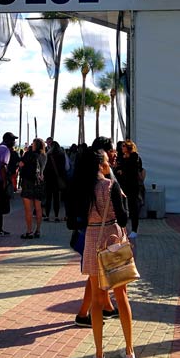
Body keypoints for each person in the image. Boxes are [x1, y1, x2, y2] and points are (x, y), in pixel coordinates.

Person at [82, 149, 135, 358]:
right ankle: (130, 351)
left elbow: (74, 220)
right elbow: (123, 218)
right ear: (100, 165)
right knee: (121, 296)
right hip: (113, 239)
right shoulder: (111, 185)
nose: (109, 164)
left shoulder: (83, 187)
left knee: (96, 300)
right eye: (106, 161)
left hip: (92, 239)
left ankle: (99, 356)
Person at [70, 138, 119, 328]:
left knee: (98, 272)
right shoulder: (96, 177)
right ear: (102, 154)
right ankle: (83, 313)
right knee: (95, 274)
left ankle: (106, 306)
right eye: (111, 150)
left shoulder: (89, 172)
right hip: (93, 232)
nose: (114, 154)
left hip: (90, 231)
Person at [115, 140, 144, 238]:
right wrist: (119, 169)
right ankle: (122, 228)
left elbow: (133, 170)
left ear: (128, 147)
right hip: (122, 185)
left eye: (124, 146)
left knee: (133, 207)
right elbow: (117, 168)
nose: (122, 148)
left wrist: (122, 170)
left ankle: (134, 229)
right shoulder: (121, 157)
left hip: (132, 185)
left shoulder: (135, 157)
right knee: (121, 207)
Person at [18, 138, 47, 239]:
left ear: (35, 145)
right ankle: (38, 230)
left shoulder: (28, 154)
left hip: (28, 182)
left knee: (28, 209)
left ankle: (29, 231)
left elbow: (21, 164)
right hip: (39, 183)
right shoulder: (44, 156)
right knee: (38, 208)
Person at [43, 140, 67, 222]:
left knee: (48, 198)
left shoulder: (48, 155)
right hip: (57, 179)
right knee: (56, 198)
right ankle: (56, 216)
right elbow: (65, 167)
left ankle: (47, 216)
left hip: (49, 179)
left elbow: (45, 168)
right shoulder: (62, 155)